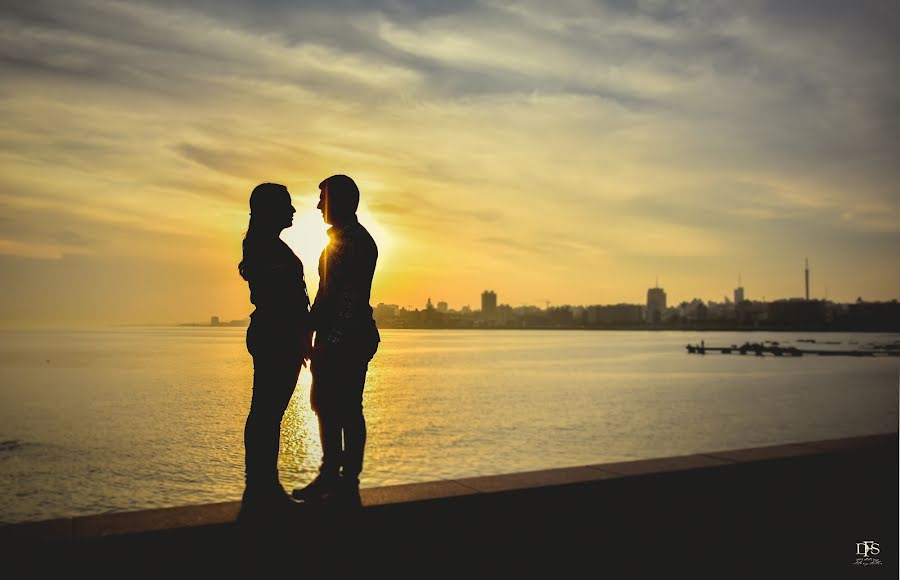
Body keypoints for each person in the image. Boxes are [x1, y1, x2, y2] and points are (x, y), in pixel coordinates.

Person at [293, 174, 379, 504]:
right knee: (326, 407)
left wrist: (330, 343)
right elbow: (324, 295)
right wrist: (310, 334)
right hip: (336, 337)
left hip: (348, 339)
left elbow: (349, 300)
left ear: (339, 202)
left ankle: (345, 480)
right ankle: (332, 476)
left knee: (344, 409)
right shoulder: (338, 241)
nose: (317, 206)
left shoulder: (355, 243)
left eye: (322, 199)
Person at [237, 182, 312, 518]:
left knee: (267, 415)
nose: (294, 210)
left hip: (277, 336)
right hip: (275, 338)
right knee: (266, 415)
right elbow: (282, 301)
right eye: (287, 205)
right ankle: (262, 488)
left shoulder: (265, 245)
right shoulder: (266, 248)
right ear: (271, 211)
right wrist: (300, 336)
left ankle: (262, 486)